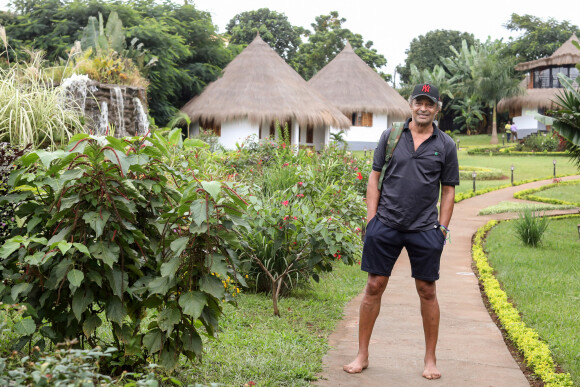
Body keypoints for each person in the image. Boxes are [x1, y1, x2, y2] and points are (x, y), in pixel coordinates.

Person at [343, 83, 459, 380]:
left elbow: (448, 191)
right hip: (387, 224)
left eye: (429, 104)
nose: (423, 108)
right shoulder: (391, 136)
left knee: (427, 291)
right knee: (373, 286)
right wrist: (372, 221)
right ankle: (362, 354)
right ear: (411, 105)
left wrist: (442, 229)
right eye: (418, 102)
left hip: (424, 229)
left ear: (437, 109)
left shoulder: (445, 145)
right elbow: (374, 177)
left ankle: (430, 359)